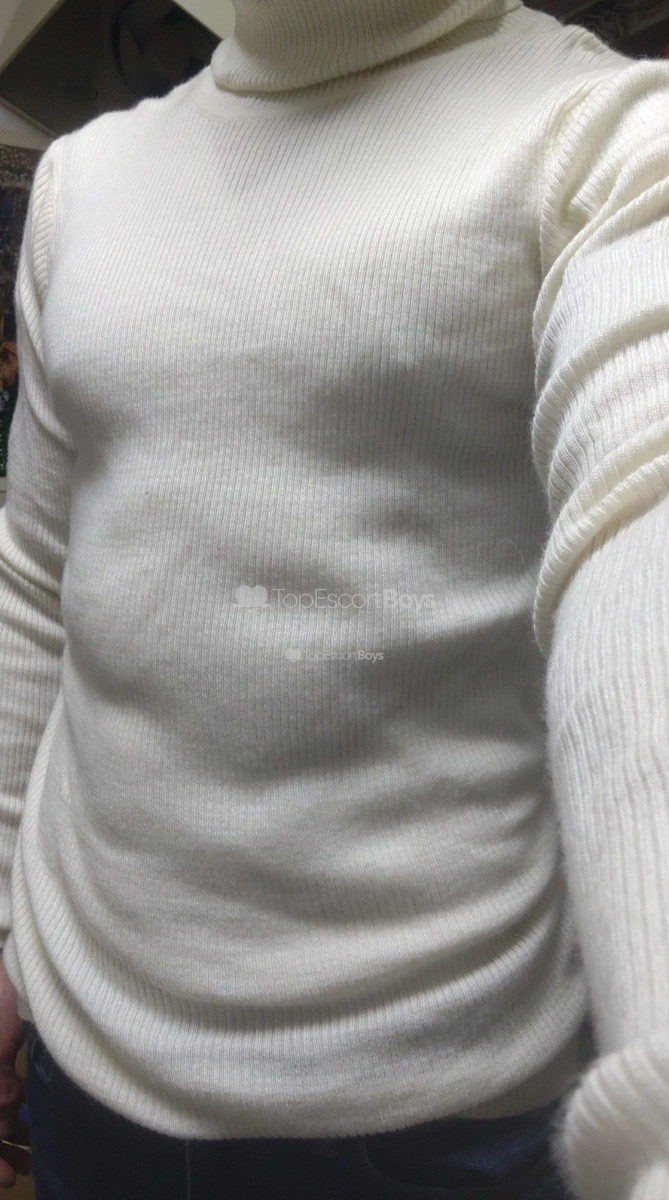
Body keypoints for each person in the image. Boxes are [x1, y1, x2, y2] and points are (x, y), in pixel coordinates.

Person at [0, 0, 668, 1196]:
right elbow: (36, 582)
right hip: (80, 1055)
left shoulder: (606, 144)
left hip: (443, 1113)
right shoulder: (78, 183)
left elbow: (644, 542)